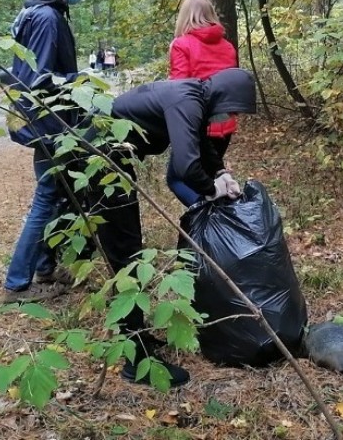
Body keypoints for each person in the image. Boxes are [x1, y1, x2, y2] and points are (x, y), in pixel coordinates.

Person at [92, 67, 256, 387]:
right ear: (223, 96)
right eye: (233, 108)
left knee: (130, 251)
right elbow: (185, 165)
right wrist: (211, 190)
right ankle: (135, 361)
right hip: (98, 159)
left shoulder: (194, 97)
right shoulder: (187, 100)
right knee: (124, 255)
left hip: (112, 159)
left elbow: (198, 144)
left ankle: (136, 335)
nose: (232, 115)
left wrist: (221, 172)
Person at [3, 0, 98, 305]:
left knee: (56, 194)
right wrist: (82, 80)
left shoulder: (38, 12)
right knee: (46, 200)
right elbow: (38, 78)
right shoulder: (45, 17)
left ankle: (44, 268)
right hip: (47, 123)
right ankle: (16, 284)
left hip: (48, 121)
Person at [166, 0, 238, 205]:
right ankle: (217, 222)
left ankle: (209, 217)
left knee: (177, 178)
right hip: (224, 124)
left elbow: (179, 89)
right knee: (209, 174)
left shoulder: (181, 45)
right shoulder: (228, 47)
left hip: (197, 123)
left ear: (184, 17)